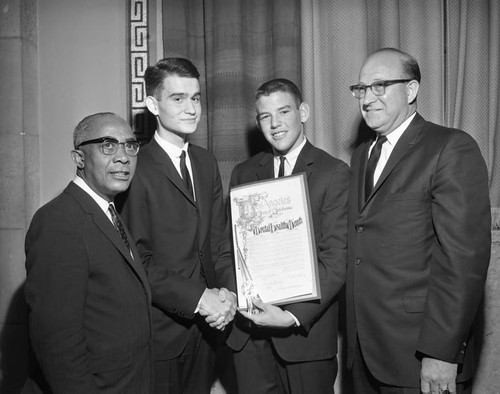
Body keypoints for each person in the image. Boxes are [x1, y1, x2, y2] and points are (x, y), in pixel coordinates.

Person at [346, 47, 491, 394]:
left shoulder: (450, 148)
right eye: (362, 89)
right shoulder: (361, 156)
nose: (367, 98)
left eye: (380, 86)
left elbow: (463, 261)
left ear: (411, 90)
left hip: (420, 357)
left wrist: (442, 353)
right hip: (364, 354)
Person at [117, 57, 237, 394]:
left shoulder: (206, 162)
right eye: (178, 98)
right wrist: (201, 298)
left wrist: (227, 295)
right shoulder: (134, 167)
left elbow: (218, 245)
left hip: (210, 330)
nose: (191, 108)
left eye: (195, 98)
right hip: (160, 333)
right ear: (153, 104)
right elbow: (137, 263)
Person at [225, 78, 350, 393]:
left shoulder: (332, 172)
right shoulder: (243, 172)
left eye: (283, 112)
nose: (275, 124)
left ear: (303, 111)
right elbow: (233, 248)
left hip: (304, 340)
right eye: (265, 117)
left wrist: (290, 317)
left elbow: (335, 260)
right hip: (249, 340)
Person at [23, 112, 153, 393]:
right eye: (108, 145)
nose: (123, 157)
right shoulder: (58, 220)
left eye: (130, 145)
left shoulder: (109, 212)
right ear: (79, 159)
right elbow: (57, 345)